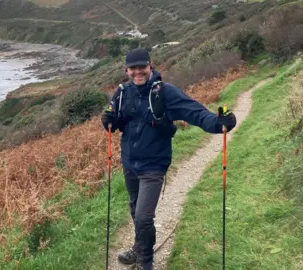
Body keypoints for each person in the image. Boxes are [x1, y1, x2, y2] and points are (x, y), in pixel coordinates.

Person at [101, 48, 237, 270]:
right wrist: (105, 119)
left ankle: (146, 262)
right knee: (135, 210)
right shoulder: (122, 93)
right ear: (126, 70)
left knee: (144, 217)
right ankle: (139, 246)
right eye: (133, 68)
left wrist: (219, 123)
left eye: (142, 67)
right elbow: (114, 123)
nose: (138, 72)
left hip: (153, 165)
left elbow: (195, 112)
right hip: (129, 162)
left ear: (150, 66)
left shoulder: (165, 93)